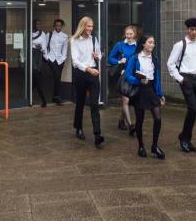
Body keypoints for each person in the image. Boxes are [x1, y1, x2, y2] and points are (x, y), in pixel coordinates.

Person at [166, 17, 196, 153]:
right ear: (187, 30)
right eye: (191, 29)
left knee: (194, 110)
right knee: (193, 108)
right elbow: (170, 63)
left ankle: (186, 137)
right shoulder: (180, 45)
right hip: (186, 79)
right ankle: (184, 140)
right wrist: (180, 78)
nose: (194, 32)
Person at [124, 35, 166, 159]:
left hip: (151, 90)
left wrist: (160, 94)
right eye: (150, 42)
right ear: (143, 44)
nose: (152, 45)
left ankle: (154, 146)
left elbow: (157, 79)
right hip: (139, 91)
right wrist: (138, 81)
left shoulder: (155, 58)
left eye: (153, 42)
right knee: (140, 120)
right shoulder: (135, 58)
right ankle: (141, 146)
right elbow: (127, 75)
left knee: (158, 119)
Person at [70, 16, 104, 148]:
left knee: (94, 104)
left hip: (93, 73)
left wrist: (98, 56)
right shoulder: (74, 40)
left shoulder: (94, 39)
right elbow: (75, 61)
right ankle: (78, 128)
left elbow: (100, 54)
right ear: (82, 26)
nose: (90, 29)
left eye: (91, 26)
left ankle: (97, 135)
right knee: (80, 102)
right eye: (88, 26)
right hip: (81, 73)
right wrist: (88, 69)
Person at [108, 25, 138, 134]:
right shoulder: (119, 45)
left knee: (129, 101)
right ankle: (130, 125)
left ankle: (121, 120)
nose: (129, 36)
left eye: (131, 34)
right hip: (123, 76)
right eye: (127, 34)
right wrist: (119, 62)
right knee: (126, 100)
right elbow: (110, 58)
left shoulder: (138, 46)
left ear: (134, 34)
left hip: (134, 76)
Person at [44, 19, 68, 105]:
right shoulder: (49, 35)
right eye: (57, 25)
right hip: (51, 59)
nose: (58, 27)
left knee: (57, 78)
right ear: (54, 26)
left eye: (60, 25)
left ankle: (54, 97)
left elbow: (65, 48)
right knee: (57, 76)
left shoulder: (64, 36)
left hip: (60, 60)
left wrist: (63, 58)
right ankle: (58, 97)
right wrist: (46, 57)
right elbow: (45, 46)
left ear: (62, 26)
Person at [31, 19, 48, 107]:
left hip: (39, 57)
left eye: (39, 24)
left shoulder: (43, 34)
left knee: (36, 79)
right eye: (37, 24)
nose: (38, 25)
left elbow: (44, 47)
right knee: (36, 79)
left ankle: (31, 98)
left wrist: (46, 58)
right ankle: (43, 100)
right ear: (33, 25)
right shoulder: (29, 32)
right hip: (32, 57)